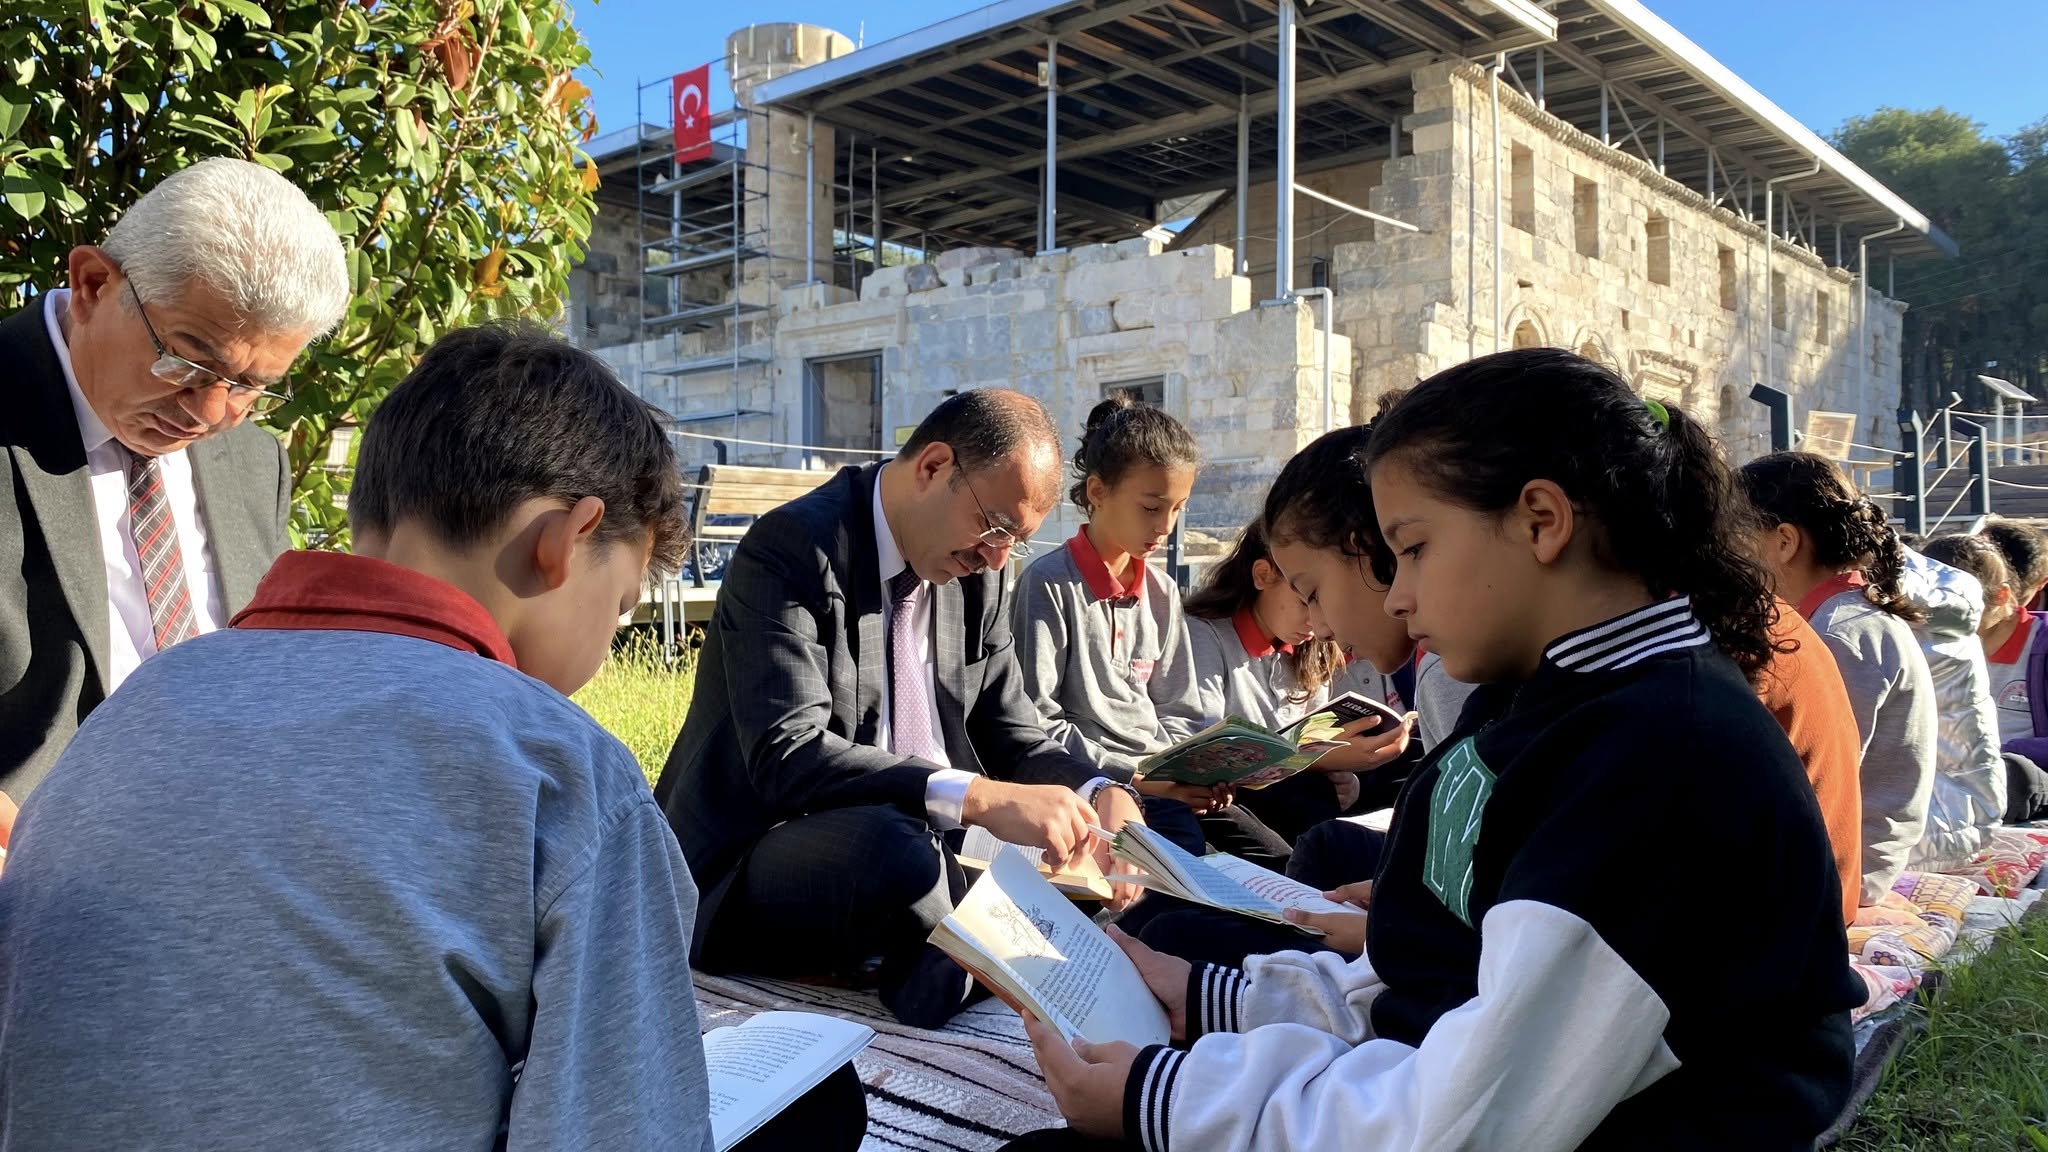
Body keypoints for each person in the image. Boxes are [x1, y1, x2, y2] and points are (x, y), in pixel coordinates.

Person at [0, 324, 848, 1151]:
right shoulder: (557, 764)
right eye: (621, 605)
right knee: (819, 1106)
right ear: (567, 538)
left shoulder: (139, 704)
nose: (608, 638)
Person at [1004, 349, 1859, 1152]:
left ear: (1541, 520)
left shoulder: (1659, 756)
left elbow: (1469, 1116)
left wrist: (1168, 1096)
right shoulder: (1552, 707)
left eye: (1413, 548)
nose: (1400, 592)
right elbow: (1433, 981)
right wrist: (1207, 998)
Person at [657, 388, 1202, 1030]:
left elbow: (1013, 733)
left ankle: (971, 954)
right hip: (771, 847)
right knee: (897, 855)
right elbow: (790, 756)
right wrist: (977, 797)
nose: (998, 557)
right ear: (934, 467)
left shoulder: (980, 572)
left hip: (939, 837)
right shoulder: (794, 550)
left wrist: (1100, 789)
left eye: (1016, 541)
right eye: (997, 528)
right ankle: (986, 954)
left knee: (1157, 821)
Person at [0, 157, 347, 840]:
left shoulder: (254, 463)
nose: (209, 413)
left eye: (252, 385)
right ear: (93, 282)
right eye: (187, 362)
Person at [1739, 452, 1939, 903]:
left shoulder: (1838, 634)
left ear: (1784, 542)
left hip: (1847, 869)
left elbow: (1824, 784)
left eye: (1734, 540)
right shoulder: (1846, 616)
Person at [1011, 396, 1214, 801]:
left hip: (1164, 782)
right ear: (1098, 491)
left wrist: (1181, 774)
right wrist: (1135, 777)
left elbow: (1182, 709)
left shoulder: (1163, 591)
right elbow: (1036, 719)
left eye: (1178, 509)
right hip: (1092, 785)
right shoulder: (1048, 583)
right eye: (1151, 507)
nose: (1165, 527)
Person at [1181, 517, 1413, 860]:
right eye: (1306, 601)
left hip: (1298, 789)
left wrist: (1345, 774)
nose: (1318, 622)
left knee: (1414, 759)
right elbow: (1206, 753)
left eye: (1322, 601)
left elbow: (1314, 728)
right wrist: (1312, 759)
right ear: (1262, 576)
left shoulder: (1311, 648)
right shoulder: (1202, 635)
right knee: (1306, 793)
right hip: (1232, 795)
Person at [1919, 532, 2048, 822]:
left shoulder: (2040, 646)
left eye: (1953, 600)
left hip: (2026, 802)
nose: (1936, 613)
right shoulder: (1932, 648)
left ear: (2000, 595)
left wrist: (2002, 753)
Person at [1756, 601, 1865, 925]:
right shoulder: (1778, 615)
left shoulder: (1840, 625)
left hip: (1795, 920)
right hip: (1832, 898)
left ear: (1788, 546)